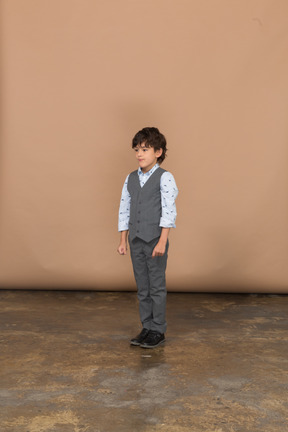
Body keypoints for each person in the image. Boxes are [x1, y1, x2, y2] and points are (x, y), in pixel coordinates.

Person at [117, 127, 178, 348]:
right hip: (136, 240)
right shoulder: (131, 178)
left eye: (145, 149)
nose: (139, 154)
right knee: (142, 287)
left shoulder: (165, 177)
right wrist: (123, 239)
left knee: (156, 287)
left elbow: (168, 211)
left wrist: (162, 240)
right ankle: (147, 326)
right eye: (137, 149)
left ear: (158, 152)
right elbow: (124, 208)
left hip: (154, 239)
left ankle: (158, 329)